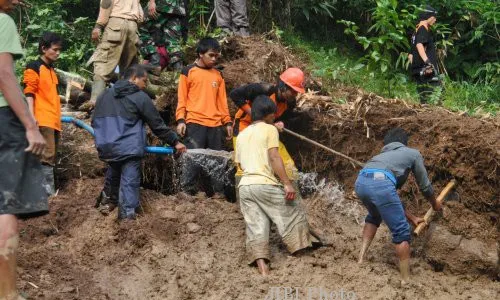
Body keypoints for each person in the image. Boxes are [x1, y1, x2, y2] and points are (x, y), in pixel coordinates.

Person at [235, 95, 319, 276]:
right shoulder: (269, 130)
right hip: (264, 183)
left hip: (245, 186)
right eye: (273, 114)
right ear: (267, 114)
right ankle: (301, 255)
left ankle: (263, 270)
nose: (275, 117)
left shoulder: (241, 135)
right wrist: (287, 184)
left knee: (256, 226)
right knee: (292, 213)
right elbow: (274, 156)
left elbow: (240, 164)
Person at [92, 65, 186, 220]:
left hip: (106, 145)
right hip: (129, 147)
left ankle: (107, 202)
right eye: (144, 81)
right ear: (134, 78)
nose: (145, 85)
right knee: (130, 180)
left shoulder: (104, 95)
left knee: (114, 169)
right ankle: (127, 218)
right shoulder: (140, 97)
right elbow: (157, 125)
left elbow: (94, 120)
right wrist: (175, 142)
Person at [0, 0, 49, 299]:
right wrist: (30, 125)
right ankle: (7, 294)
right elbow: (5, 76)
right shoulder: (2, 21)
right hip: (3, 121)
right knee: (5, 207)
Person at [355, 128, 442, 284]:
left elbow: (388, 201)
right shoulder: (412, 153)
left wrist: (412, 217)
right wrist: (435, 204)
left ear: (387, 144)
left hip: (361, 182)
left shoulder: (379, 156)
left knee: (374, 215)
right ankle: (405, 278)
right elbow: (425, 186)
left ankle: (361, 258)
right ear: (404, 142)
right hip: (381, 183)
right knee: (401, 232)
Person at [229, 67, 305, 200]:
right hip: (244, 128)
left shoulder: (290, 102)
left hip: (267, 130)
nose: (295, 95)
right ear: (283, 86)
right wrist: (254, 114)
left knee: (288, 164)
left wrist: (280, 123)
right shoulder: (263, 89)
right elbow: (235, 94)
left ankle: (291, 197)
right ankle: (243, 201)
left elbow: (283, 118)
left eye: (296, 92)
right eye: (293, 91)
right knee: (244, 167)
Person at [175, 37, 232, 195]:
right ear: (200, 54)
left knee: (217, 160)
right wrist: (181, 120)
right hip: (194, 122)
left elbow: (222, 102)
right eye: (211, 55)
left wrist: (227, 122)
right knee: (193, 158)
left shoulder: (218, 75)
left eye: (216, 56)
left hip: (215, 124)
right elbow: (182, 98)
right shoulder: (188, 71)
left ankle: (219, 194)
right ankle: (186, 192)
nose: (214, 59)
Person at [83, 0, 144, 110]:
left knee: (102, 65)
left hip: (115, 25)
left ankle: (96, 103)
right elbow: (141, 16)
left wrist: (98, 26)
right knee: (128, 71)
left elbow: (106, 3)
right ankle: (128, 106)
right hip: (133, 28)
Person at [23, 32, 63, 196]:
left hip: (53, 120)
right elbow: (29, 93)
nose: (58, 53)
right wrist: (31, 117)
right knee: (46, 156)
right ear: (44, 48)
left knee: (50, 156)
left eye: (60, 50)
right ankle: (46, 195)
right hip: (42, 118)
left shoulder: (51, 70)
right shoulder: (34, 66)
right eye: (55, 49)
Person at [140, 0, 189, 72]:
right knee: (172, 38)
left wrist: (151, 1)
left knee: (141, 24)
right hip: (177, 8)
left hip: (163, 4)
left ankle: (154, 62)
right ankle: (178, 68)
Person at [410, 5, 441, 104]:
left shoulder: (416, 30)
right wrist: (427, 63)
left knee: (424, 100)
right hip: (427, 70)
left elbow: (410, 55)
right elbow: (420, 45)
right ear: (428, 16)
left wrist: (416, 67)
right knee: (438, 94)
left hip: (419, 70)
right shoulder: (423, 29)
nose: (435, 20)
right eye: (434, 17)